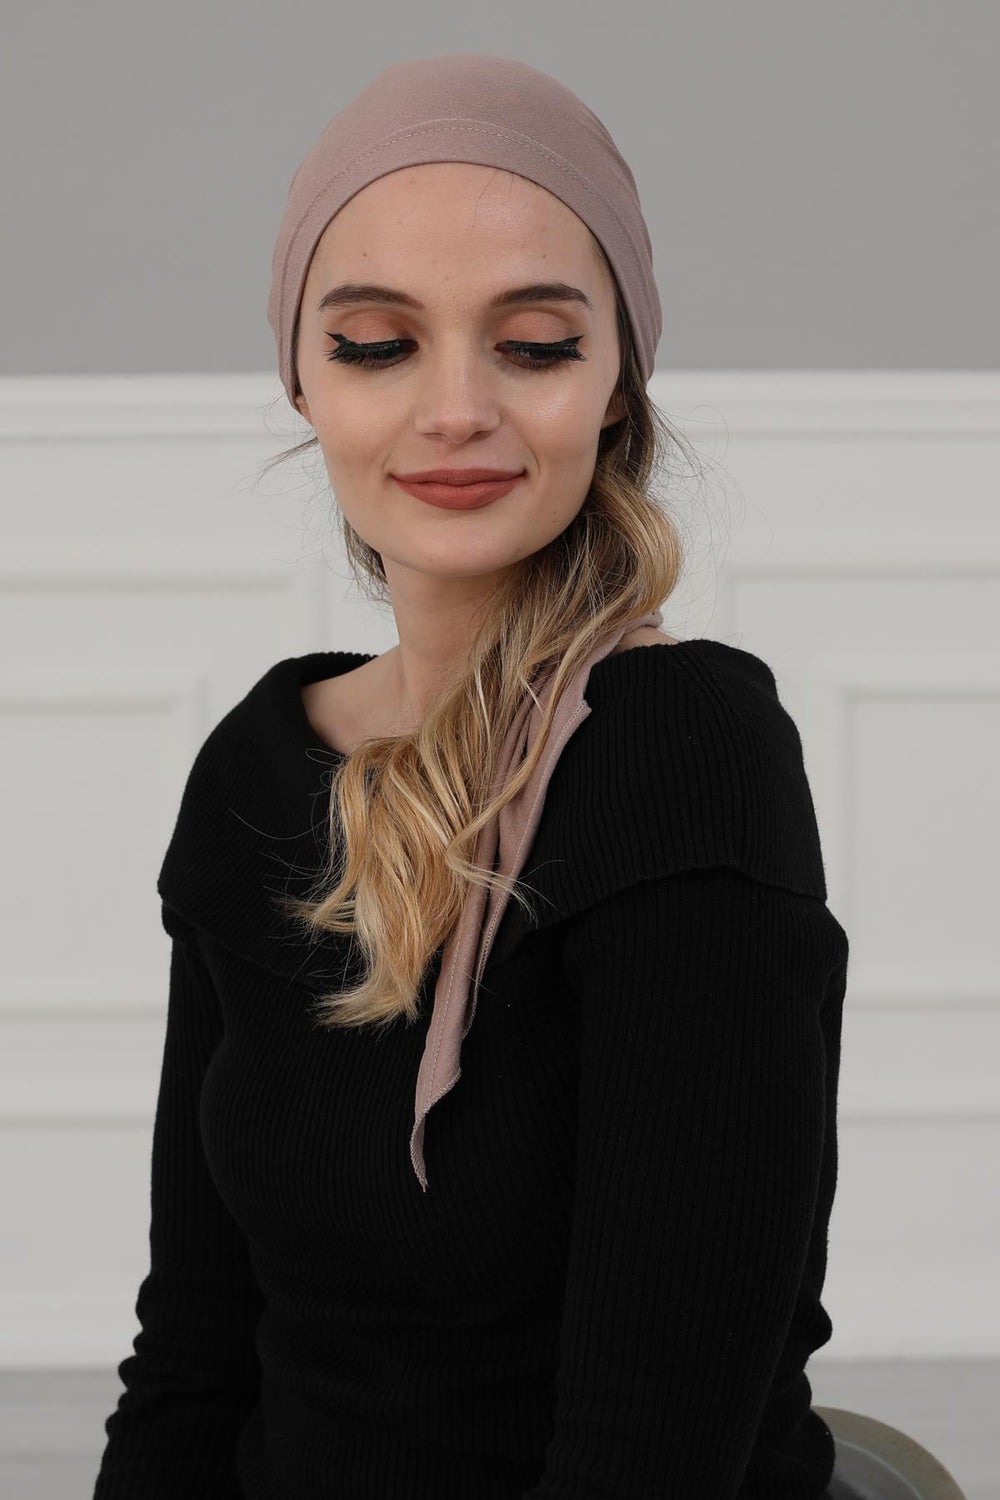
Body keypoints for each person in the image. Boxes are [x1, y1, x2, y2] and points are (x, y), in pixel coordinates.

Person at [92, 53, 850, 1500]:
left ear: (617, 385)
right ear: (303, 380)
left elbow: (653, 1455)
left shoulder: (686, 753)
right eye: (378, 344)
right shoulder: (255, 770)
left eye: (535, 345)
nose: (455, 409)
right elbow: (193, 1358)